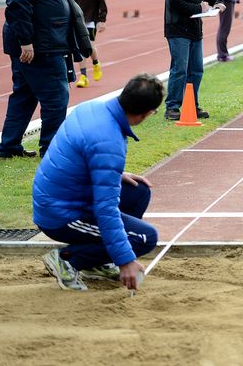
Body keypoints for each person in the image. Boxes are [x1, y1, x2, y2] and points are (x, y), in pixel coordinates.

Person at [33, 74, 163, 291]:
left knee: (138, 192)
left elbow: (75, 156)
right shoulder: (108, 141)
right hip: (60, 214)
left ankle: (96, 261)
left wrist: (113, 174)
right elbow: (105, 209)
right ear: (146, 114)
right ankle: (67, 259)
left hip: (58, 196)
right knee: (144, 238)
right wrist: (125, 259)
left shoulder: (92, 107)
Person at [0, 0, 71, 159]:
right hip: (39, 44)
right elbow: (18, 3)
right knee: (56, 96)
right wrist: (26, 40)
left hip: (39, 40)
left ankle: (9, 146)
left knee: (24, 95)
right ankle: (51, 149)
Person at [163, 0, 225, 121]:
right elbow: (174, 2)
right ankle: (172, 107)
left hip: (195, 29)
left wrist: (217, 2)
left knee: (196, 70)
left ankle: (191, 105)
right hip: (178, 29)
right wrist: (199, 8)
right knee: (180, 69)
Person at [67, 0, 108, 88]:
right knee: (80, 48)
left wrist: (102, 19)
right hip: (76, 20)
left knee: (89, 46)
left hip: (90, 19)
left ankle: (96, 63)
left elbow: (102, 1)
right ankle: (83, 76)